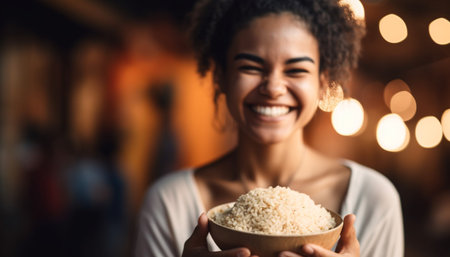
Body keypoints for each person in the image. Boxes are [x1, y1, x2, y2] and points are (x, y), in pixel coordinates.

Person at [135, 0, 404, 256]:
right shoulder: (169, 203)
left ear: (323, 82)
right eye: (251, 67)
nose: (273, 88)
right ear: (221, 77)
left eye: (296, 70)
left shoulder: (372, 198)